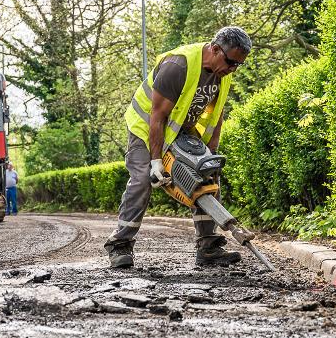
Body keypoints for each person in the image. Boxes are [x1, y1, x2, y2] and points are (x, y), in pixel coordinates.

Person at [105, 26, 252, 268]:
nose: (233, 69)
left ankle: (208, 247)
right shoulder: (179, 66)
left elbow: (216, 116)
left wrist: (211, 156)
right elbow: (157, 116)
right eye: (231, 62)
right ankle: (119, 244)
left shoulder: (222, 73)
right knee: (143, 179)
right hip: (146, 128)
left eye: (239, 65)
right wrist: (156, 162)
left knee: (207, 178)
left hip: (181, 130)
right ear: (215, 50)